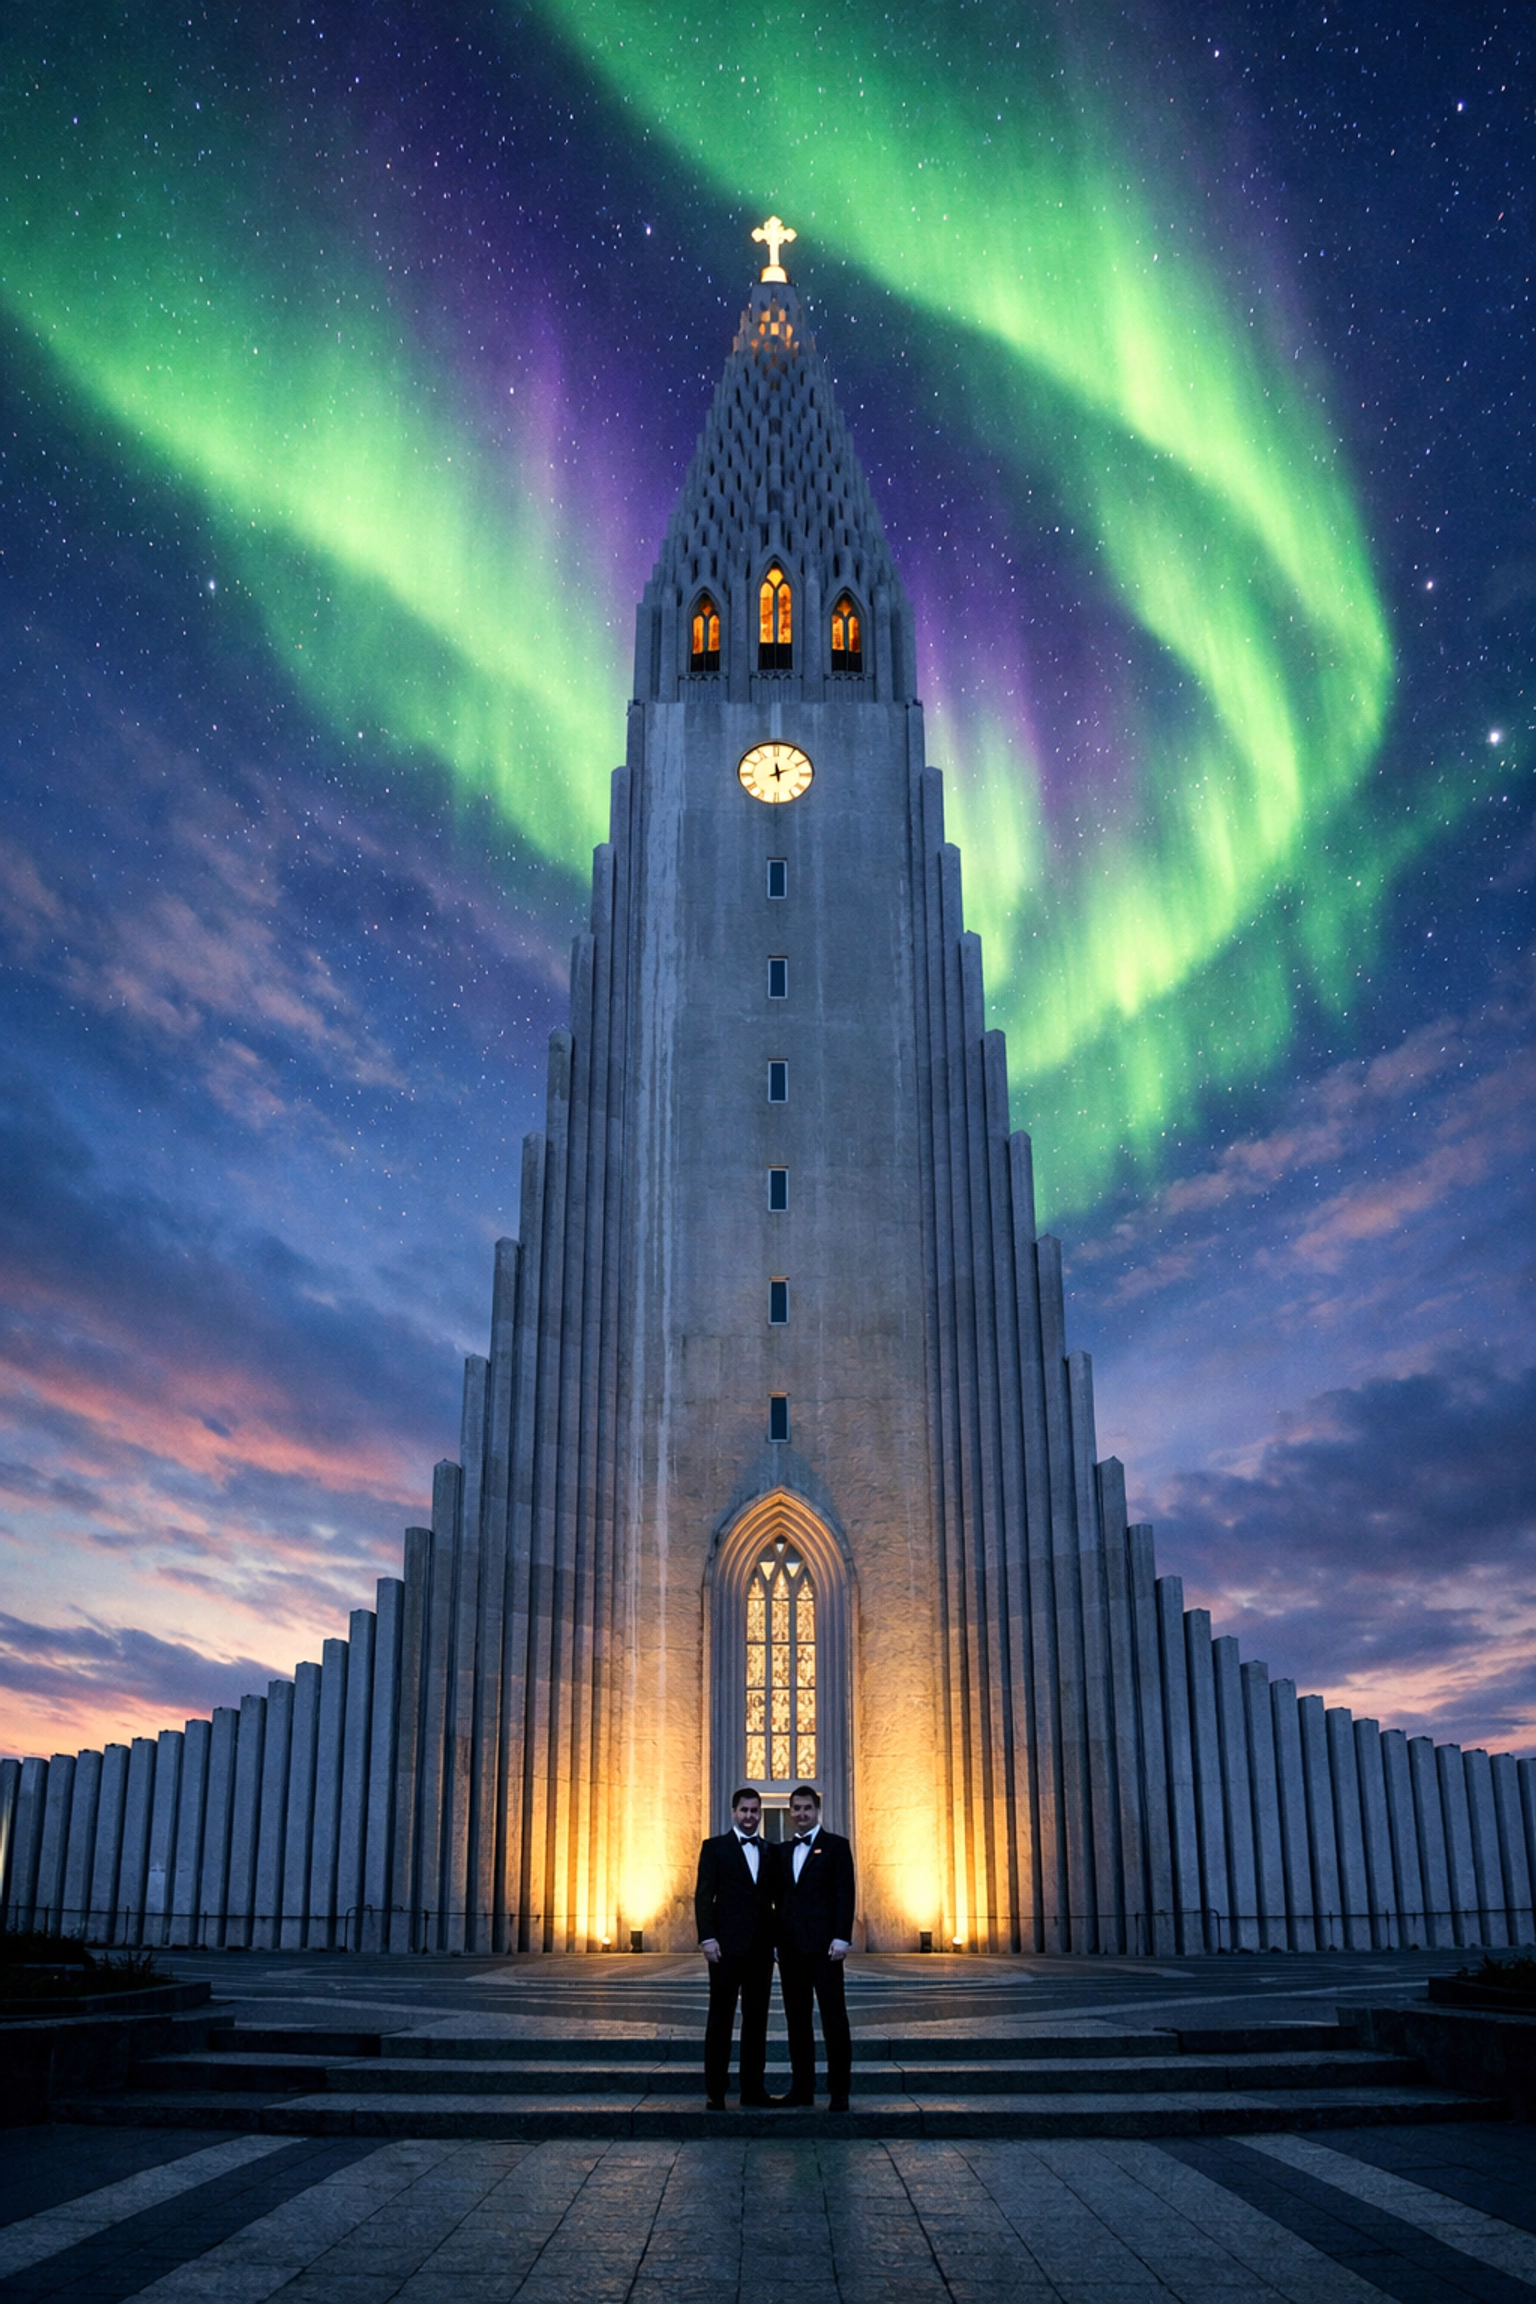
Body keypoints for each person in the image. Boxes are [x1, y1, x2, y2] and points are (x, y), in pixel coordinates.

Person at [694, 1784, 778, 2109]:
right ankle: (716, 2091)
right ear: (734, 1812)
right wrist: (707, 1937)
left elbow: (775, 1903)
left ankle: (753, 2089)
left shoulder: (770, 1851)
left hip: (760, 1952)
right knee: (720, 2019)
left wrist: (776, 1944)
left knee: (756, 2021)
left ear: (760, 1813)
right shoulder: (714, 1848)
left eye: (755, 1811)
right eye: (744, 1810)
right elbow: (704, 1896)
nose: (749, 1816)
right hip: (725, 1949)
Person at [773, 1783, 855, 2110]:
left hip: (825, 1948)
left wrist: (841, 1937)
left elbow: (844, 1894)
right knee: (797, 2020)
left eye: (807, 1808)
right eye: (796, 1809)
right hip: (791, 1950)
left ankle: (839, 2092)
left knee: (834, 2018)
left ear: (816, 1811)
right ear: (790, 1812)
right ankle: (802, 2089)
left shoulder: (836, 1846)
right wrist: (777, 1943)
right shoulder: (782, 1851)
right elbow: (779, 1900)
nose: (802, 1814)